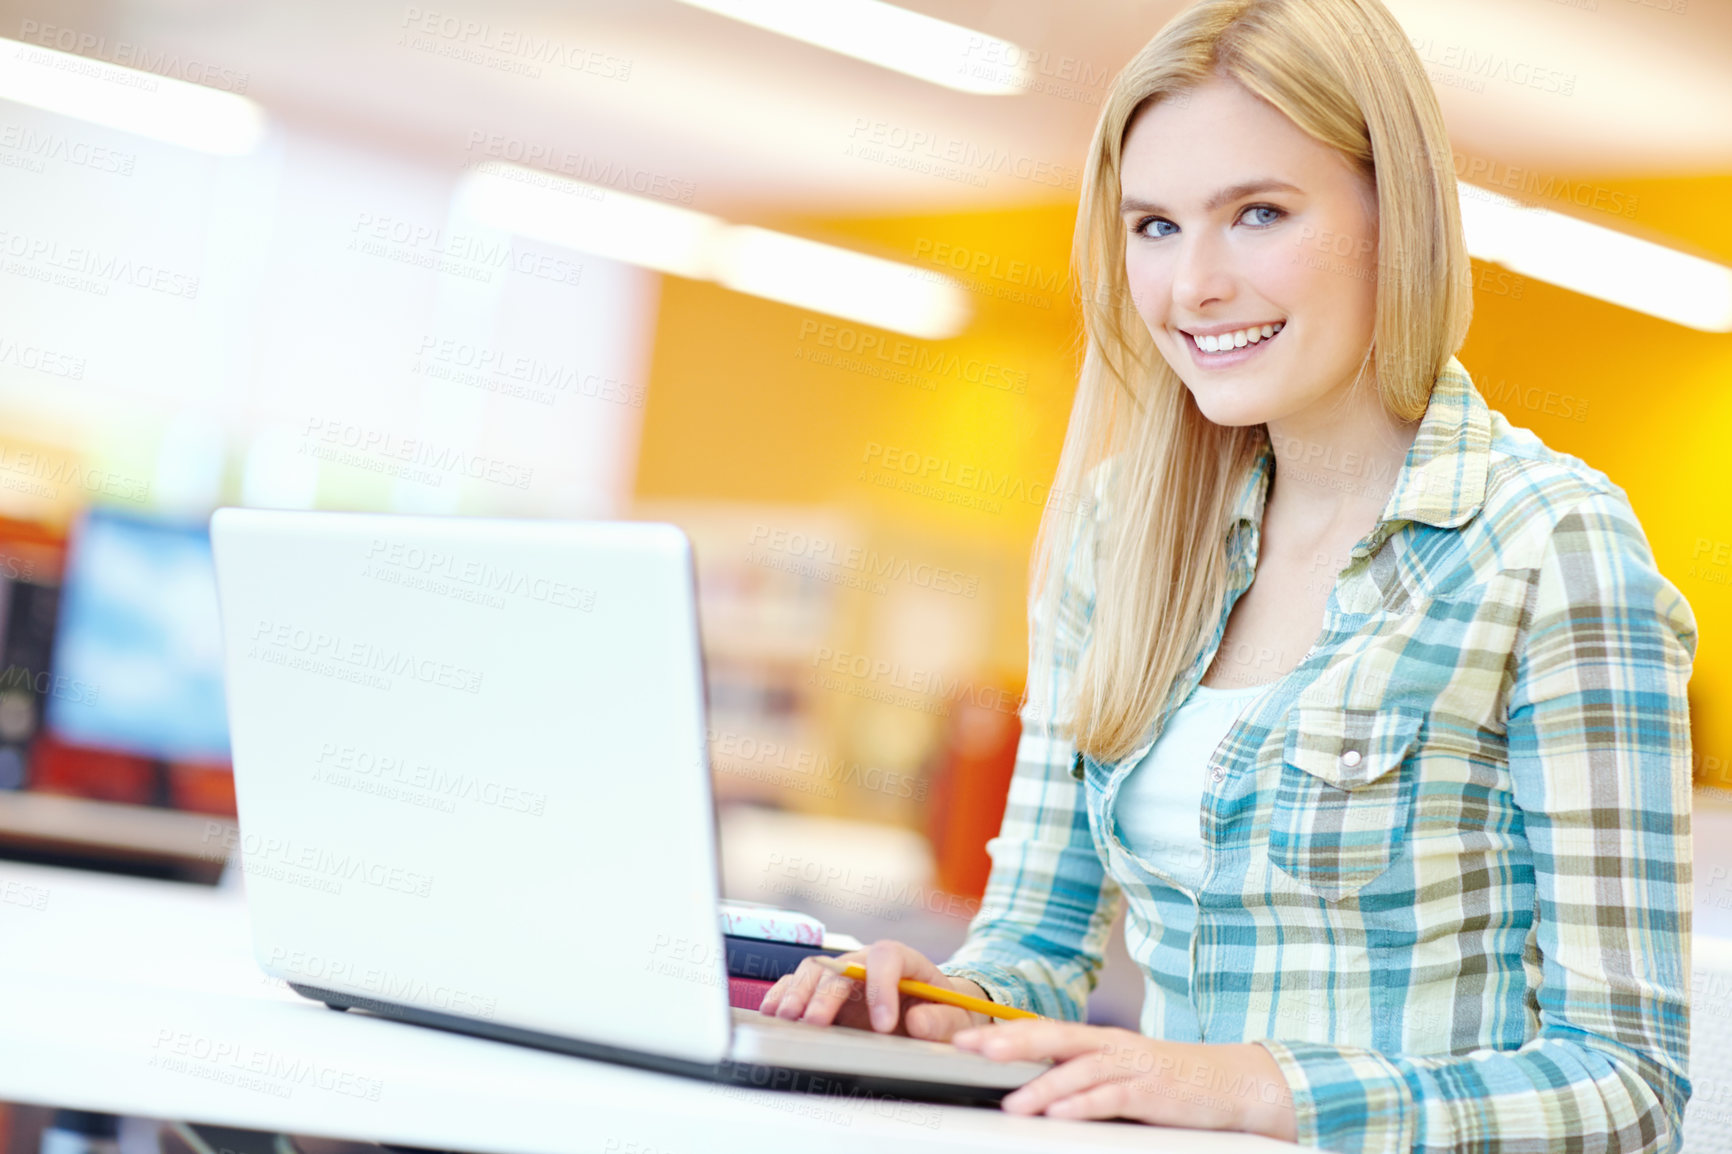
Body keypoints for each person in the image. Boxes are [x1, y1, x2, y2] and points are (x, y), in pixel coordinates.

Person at [760, 0, 1698, 1148]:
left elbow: (1628, 1079)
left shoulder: (1549, 546)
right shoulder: (1119, 533)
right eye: (1152, 225)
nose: (1193, 284)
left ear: (1389, 216)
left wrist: (1263, 1090)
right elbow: (1037, 953)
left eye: (1255, 213)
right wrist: (939, 1008)